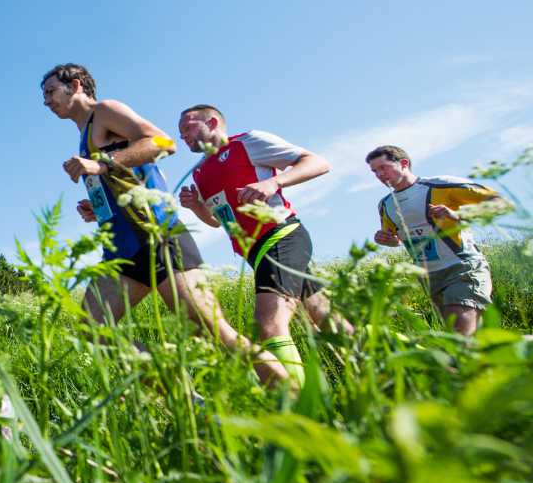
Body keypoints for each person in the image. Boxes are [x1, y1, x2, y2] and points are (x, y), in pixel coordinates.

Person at [41, 64, 287, 386]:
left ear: (74, 85)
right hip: (122, 250)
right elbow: (131, 174)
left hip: (158, 238)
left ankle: (295, 399)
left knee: (215, 333)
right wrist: (100, 207)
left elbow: (161, 142)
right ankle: (182, 395)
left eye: (50, 92)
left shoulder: (105, 111)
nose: (46, 101)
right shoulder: (84, 135)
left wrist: (101, 163)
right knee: (92, 333)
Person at [177, 105, 352, 384]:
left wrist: (273, 183)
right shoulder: (199, 173)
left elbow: (317, 162)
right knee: (325, 317)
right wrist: (197, 208)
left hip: (280, 234)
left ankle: (297, 407)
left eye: (187, 127)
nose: (182, 136)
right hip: (254, 252)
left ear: (212, 122)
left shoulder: (248, 142)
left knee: (269, 324)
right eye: (180, 132)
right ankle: (383, 363)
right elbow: (216, 221)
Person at [366, 145, 506, 336]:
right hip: (430, 278)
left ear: (404, 164)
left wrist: (456, 215)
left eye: (384, 167)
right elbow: (396, 239)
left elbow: (498, 202)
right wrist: (386, 239)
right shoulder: (385, 204)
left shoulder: (440, 184)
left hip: (462, 268)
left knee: (460, 340)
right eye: (375, 171)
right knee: (471, 342)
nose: (380, 175)